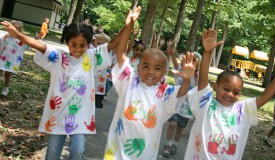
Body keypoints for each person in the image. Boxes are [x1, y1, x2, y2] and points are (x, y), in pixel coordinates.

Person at [1, 6, 141, 159]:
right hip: (57, 115)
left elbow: (113, 43)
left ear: (89, 43)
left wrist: (129, 24)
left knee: (77, 150)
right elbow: (39, 46)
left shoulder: (92, 57)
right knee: (52, 155)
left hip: (81, 116)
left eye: (83, 45)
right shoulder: (58, 58)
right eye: (73, 44)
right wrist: (19, 35)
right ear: (67, 42)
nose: (78, 49)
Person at [183, 28, 275, 160]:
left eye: (236, 92)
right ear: (215, 87)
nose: (230, 94)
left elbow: (263, 97)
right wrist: (207, 52)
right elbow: (203, 79)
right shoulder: (205, 104)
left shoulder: (242, 111)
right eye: (226, 89)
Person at [103, 6, 198, 159]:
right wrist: (129, 26)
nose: (150, 72)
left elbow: (180, 92)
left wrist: (187, 79)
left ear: (163, 73)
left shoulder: (164, 92)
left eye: (157, 68)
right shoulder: (129, 81)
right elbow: (120, 54)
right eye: (146, 66)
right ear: (139, 67)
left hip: (145, 155)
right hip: (116, 153)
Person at [162, 43, 201, 158]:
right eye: (191, 59)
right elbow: (175, 64)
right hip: (175, 102)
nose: (192, 62)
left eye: (195, 61)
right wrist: (173, 55)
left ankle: (175, 144)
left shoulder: (198, 77)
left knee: (180, 127)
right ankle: (168, 145)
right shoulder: (181, 70)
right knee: (172, 124)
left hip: (187, 107)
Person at [0, 20, 27, 96]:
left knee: (8, 75)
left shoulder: (21, 39)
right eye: (12, 28)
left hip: (12, 60)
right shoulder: (5, 36)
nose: (14, 30)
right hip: (2, 58)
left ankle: (6, 88)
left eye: (16, 28)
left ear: (19, 30)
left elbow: (29, 45)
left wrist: (37, 38)